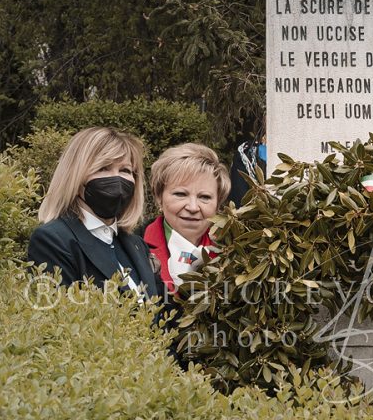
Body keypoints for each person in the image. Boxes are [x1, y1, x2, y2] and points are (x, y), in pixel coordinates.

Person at [27, 126, 161, 299]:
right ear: (75, 177)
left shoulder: (136, 245)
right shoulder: (53, 241)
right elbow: (61, 314)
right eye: (103, 168)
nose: (117, 179)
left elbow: (162, 313)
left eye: (125, 170)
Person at [142, 143, 231, 296]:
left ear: (218, 204)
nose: (193, 207)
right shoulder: (136, 248)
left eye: (204, 197)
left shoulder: (233, 251)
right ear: (159, 197)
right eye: (181, 194)